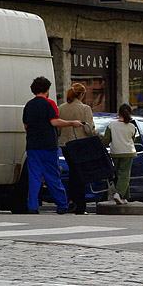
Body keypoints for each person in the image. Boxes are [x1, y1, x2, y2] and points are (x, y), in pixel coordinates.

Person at [22, 76, 84, 215]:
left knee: (34, 177)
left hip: (32, 146)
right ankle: (62, 204)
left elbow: (26, 125)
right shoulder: (49, 104)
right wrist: (71, 123)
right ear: (47, 90)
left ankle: (32, 206)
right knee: (52, 176)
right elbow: (54, 122)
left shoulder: (29, 105)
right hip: (48, 145)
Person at [58, 83, 95, 215]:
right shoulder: (85, 109)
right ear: (81, 94)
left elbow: (58, 129)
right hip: (80, 144)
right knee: (79, 174)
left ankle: (71, 200)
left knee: (72, 172)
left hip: (65, 144)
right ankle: (80, 205)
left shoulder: (61, 108)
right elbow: (89, 129)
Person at [101, 104, 138, 205]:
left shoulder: (111, 125)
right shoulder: (132, 127)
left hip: (115, 152)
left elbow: (106, 140)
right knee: (125, 175)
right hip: (128, 152)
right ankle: (119, 194)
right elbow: (133, 139)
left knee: (118, 175)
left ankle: (125, 197)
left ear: (119, 113)